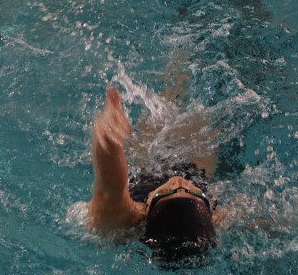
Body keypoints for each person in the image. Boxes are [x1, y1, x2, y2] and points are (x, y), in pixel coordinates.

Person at [87, 86, 217, 261]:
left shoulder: (125, 219)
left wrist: (108, 134)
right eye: (191, 192)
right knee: (208, 116)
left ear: (147, 207)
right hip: (194, 168)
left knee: (168, 97)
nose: (178, 182)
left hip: (150, 165)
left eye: (167, 192)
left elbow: (109, 186)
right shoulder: (216, 219)